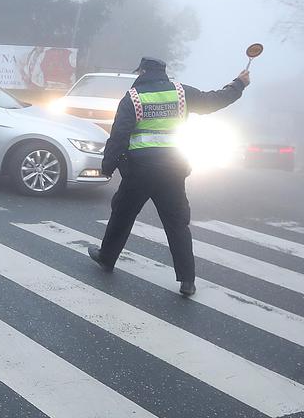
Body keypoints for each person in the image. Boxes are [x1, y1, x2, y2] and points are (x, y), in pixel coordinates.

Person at [88, 56, 251, 296]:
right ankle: (187, 280)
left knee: (122, 215)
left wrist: (108, 167)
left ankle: (107, 258)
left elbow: (119, 135)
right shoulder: (181, 93)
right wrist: (238, 84)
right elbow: (213, 100)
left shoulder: (133, 97)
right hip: (172, 171)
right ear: (164, 72)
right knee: (177, 224)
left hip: (139, 171)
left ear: (142, 71)